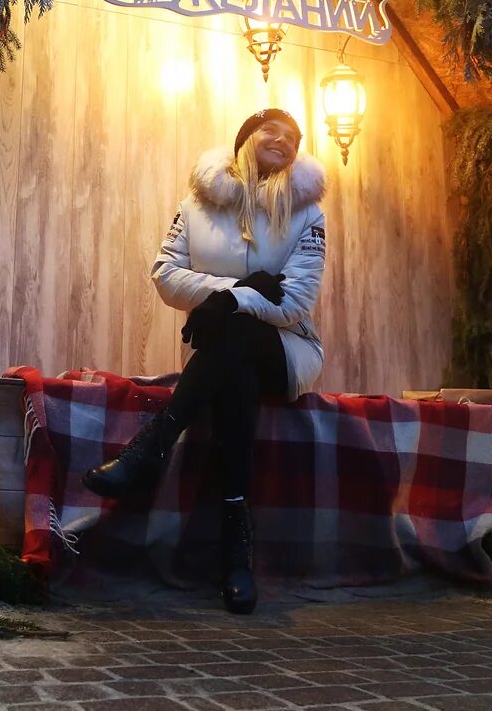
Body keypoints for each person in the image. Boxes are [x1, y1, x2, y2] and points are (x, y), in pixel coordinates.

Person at [82, 109, 327, 615]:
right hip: (230, 358)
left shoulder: (308, 214)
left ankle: (151, 447)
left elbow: (297, 300)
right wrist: (238, 291)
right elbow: (165, 274)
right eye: (270, 131)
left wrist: (228, 305)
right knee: (234, 372)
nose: (281, 140)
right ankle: (236, 554)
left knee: (237, 331)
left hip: (288, 349)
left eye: (292, 138)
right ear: (246, 139)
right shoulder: (198, 204)